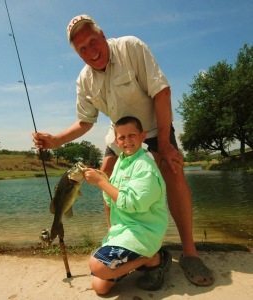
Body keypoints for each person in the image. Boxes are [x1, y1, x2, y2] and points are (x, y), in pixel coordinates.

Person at [33, 14, 214, 286]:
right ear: (77, 53)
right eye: (82, 49)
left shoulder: (131, 47)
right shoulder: (84, 80)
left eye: (93, 42)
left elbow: (161, 92)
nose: (91, 51)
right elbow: (85, 121)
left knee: (173, 172)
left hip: (153, 127)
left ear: (103, 35)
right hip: (118, 135)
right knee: (104, 177)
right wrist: (55, 140)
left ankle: (189, 253)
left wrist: (164, 144)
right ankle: (121, 245)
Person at [83, 116, 170, 294]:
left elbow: (131, 203)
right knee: (100, 287)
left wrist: (101, 182)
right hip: (123, 231)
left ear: (142, 136)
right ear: (116, 140)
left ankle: (152, 256)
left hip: (143, 233)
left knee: (97, 266)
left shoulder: (145, 166)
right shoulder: (120, 162)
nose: (127, 141)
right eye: (122, 137)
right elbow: (112, 199)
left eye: (132, 135)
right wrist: (105, 180)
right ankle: (142, 260)